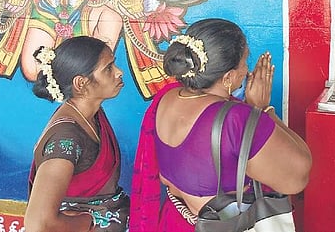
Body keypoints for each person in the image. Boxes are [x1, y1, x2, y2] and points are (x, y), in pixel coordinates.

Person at [130, 18, 312, 231]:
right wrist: (262, 110)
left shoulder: (165, 97)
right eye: (245, 61)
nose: (247, 71)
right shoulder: (235, 119)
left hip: (174, 222)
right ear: (229, 77)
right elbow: (297, 179)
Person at [24, 36, 129, 232]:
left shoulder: (91, 115)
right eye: (108, 68)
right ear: (81, 84)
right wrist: (90, 221)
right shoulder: (66, 139)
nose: (119, 72)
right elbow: (38, 224)